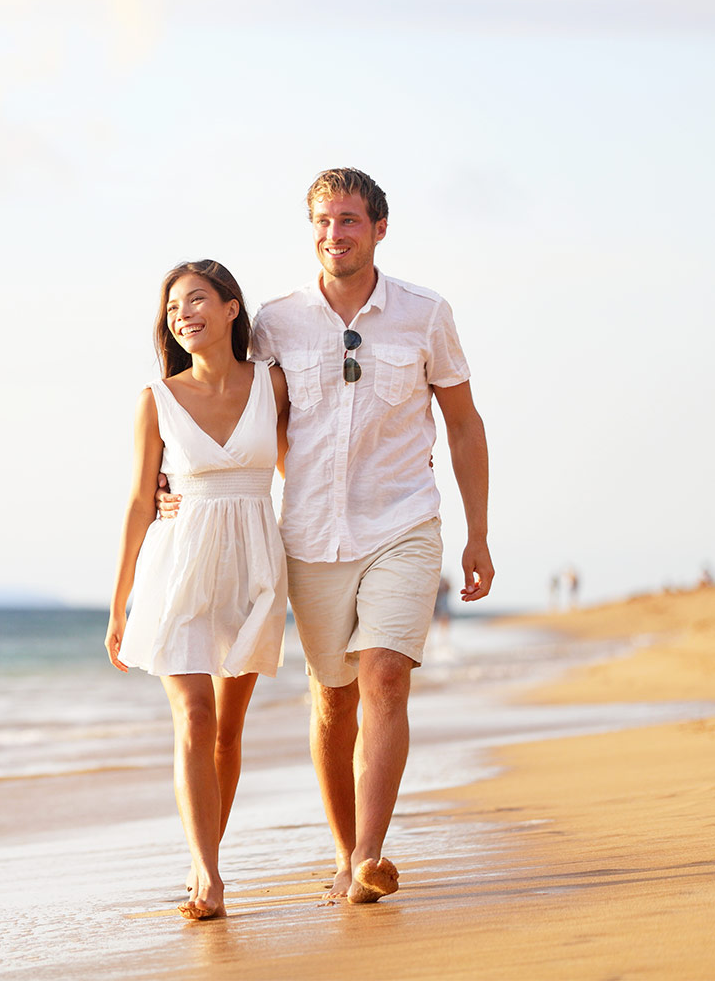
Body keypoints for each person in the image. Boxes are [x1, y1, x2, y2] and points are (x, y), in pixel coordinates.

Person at [158, 168, 494, 905]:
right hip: (309, 537)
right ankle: (344, 854)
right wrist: (171, 479)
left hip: (404, 522)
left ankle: (372, 856)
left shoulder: (425, 314)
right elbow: (231, 407)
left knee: (383, 676)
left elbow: (465, 426)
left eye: (347, 220)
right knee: (332, 700)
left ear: (378, 228)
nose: (333, 234)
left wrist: (478, 533)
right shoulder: (276, 323)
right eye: (321, 221)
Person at [105, 260, 289, 922]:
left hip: (253, 563)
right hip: (176, 566)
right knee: (196, 715)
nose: (184, 315)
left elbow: (306, 465)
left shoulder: (273, 385)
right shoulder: (156, 399)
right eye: (174, 307)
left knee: (228, 732)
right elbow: (137, 501)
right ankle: (208, 875)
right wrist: (120, 600)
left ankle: (203, 852)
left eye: (198, 300)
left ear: (233, 309)